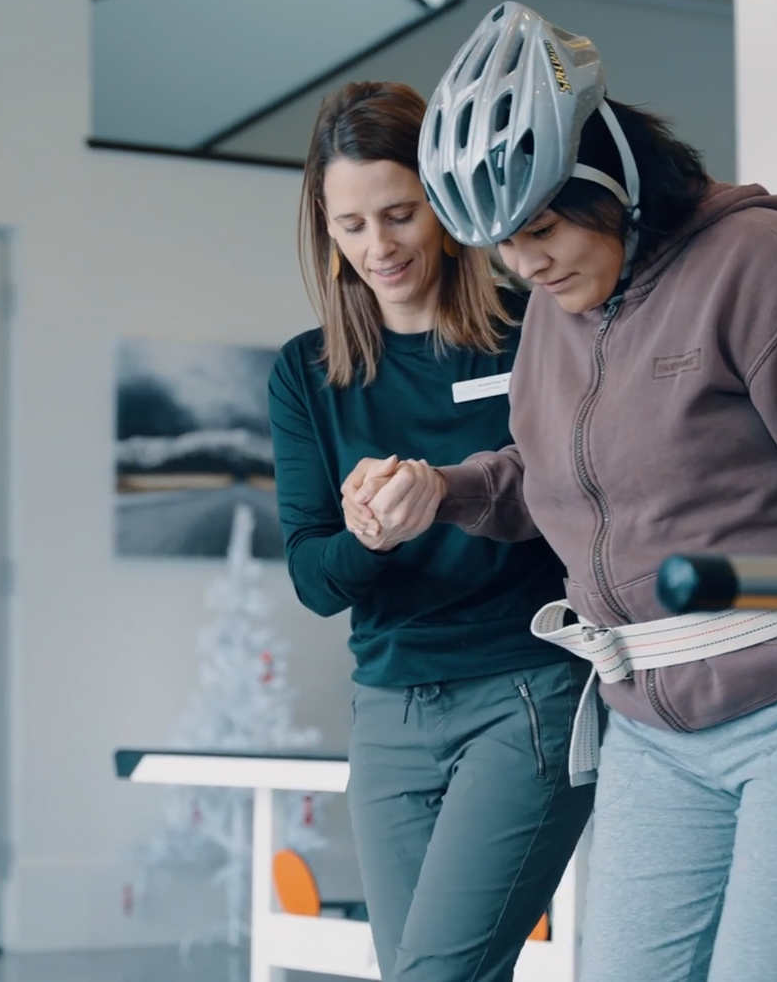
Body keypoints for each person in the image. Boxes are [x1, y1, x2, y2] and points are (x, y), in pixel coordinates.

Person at [344, 2, 777, 982]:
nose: (524, 264)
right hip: (652, 728)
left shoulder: (765, 266)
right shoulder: (559, 306)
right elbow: (545, 478)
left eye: (541, 229)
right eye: (501, 245)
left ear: (614, 180)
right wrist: (445, 489)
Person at [267, 80, 592, 982]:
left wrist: (446, 492)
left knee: (437, 973)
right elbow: (313, 578)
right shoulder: (306, 373)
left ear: (445, 205)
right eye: (351, 225)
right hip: (388, 709)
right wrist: (371, 534)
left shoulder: (536, 330)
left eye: (400, 214)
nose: (379, 247)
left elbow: (584, 500)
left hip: (525, 691)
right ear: (326, 230)